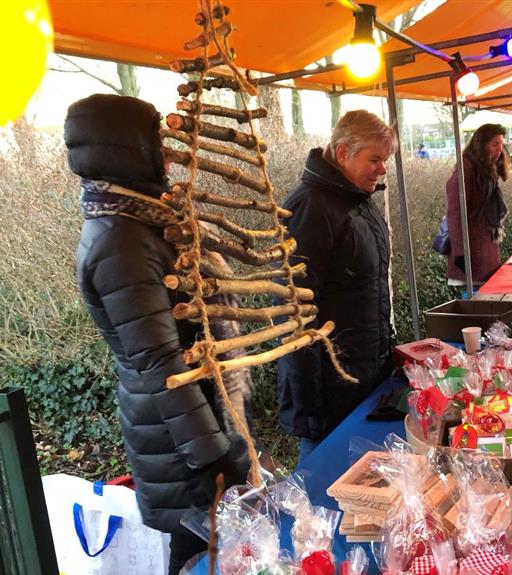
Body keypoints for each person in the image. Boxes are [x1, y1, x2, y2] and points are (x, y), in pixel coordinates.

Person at [66, 94, 253, 574]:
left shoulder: (140, 222)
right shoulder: (119, 241)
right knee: (197, 552)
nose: (168, 157)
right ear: (128, 150)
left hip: (188, 426)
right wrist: (214, 454)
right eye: (157, 144)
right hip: (178, 439)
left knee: (211, 547)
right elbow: (160, 363)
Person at [277, 110, 397, 462]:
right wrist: (309, 406)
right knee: (324, 484)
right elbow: (293, 314)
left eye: (385, 159)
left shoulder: (358, 200)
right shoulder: (308, 209)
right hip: (329, 390)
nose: (383, 168)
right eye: (375, 159)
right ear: (343, 152)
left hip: (364, 375)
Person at [445, 123, 509, 285]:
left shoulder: (487, 170)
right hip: (471, 251)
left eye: (501, 144)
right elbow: (455, 213)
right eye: (495, 144)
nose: (500, 149)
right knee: (477, 305)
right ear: (482, 145)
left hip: (484, 248)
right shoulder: (466, 170)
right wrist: (461, 253)